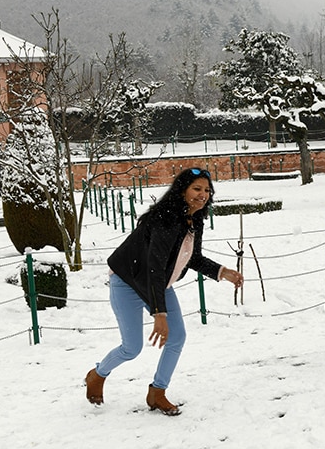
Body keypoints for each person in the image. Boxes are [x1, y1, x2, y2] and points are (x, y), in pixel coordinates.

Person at [85, 168, 243, 415]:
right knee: (131, 348)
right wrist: (159, 313)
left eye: (206, 190)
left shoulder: (194, 220)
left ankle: (157, 392)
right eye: (196, 189)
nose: (202, 195)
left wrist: (222, 272)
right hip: (128, 283)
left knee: (177, 337)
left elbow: (192, 257)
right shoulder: (165, 219)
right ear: (182, 191)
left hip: (158, 284)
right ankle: (98, 374)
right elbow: (154, 266)